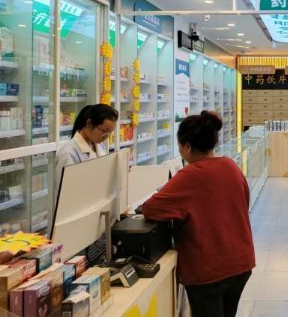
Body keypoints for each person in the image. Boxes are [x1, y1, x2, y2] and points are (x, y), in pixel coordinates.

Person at [142, 111, 255, 317]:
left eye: (179, 145)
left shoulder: (190, 175)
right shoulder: (230, 166)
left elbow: (150, 208)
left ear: (187, 146)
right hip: (240, 263)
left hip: (209, 269)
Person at [55, 104, 118, 196]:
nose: (107, 136)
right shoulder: (68, 154)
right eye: (104, 131)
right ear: (89, 123)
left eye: (110, 132)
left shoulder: (98, 145)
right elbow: (67, 194)